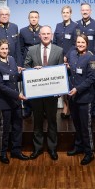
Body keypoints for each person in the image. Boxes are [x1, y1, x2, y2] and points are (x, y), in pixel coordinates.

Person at [25, 25, 64, 161]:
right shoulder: (32, 49)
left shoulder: (59, 50)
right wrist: (32, 70)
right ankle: (38, 148)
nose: (46, 36)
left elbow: (61, 71)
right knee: (38, 121)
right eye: (43, 34)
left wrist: (59, 90)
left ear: (52, 35)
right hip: (36, 92)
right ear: (39, 36)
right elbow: (26, 66)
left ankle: (52, 149)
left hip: (52, 94)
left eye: (48, 33)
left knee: (52, 121)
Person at [0, 39, 29, 164]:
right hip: (4, 103)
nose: (4, 51)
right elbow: (0, 86)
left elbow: (15, 78)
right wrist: (18, 95)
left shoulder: (11, 60)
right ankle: (2, 152)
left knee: (18, 127)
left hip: (16, 102)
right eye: (2, 49)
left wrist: (29, 72)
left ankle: (16, 151)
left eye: (6, 48)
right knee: (4, 129)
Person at [65, 34, 95, 165]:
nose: (80, 44)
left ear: (87, 44)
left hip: (84, 97)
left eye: (83, 42)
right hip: (72, 98)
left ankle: (89, 152)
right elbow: (71, 71)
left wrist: (77, 89)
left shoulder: (91, 57)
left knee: (85, 127)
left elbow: (91, 78)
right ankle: (78, 147)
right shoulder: (72, 54)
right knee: (77, 125)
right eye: (78, 42)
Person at [54, 5, 80, 119]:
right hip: (59, 59)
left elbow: (76, 44)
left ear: (71, 14)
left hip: (71, 59)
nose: (65, 14)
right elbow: (54, 42)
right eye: (63, 12)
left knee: (70, 83)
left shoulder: (76, 26)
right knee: (62, 84)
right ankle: (65, 106)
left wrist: (67, 56)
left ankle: (70, 108)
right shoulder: (58, 26)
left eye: (67, 12)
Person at [19, 10, 41, 119]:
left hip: (40, 62)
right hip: (27, 62)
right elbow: (20, 49)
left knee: (41, 86)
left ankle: (42, 110)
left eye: (35, 17)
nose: (33, 19)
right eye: (31, 17)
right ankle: (27, 110)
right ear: (29, 18)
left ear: (38, 18)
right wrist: (21, 63)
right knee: (27, 86)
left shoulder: (43, 30)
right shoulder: (22, 31)